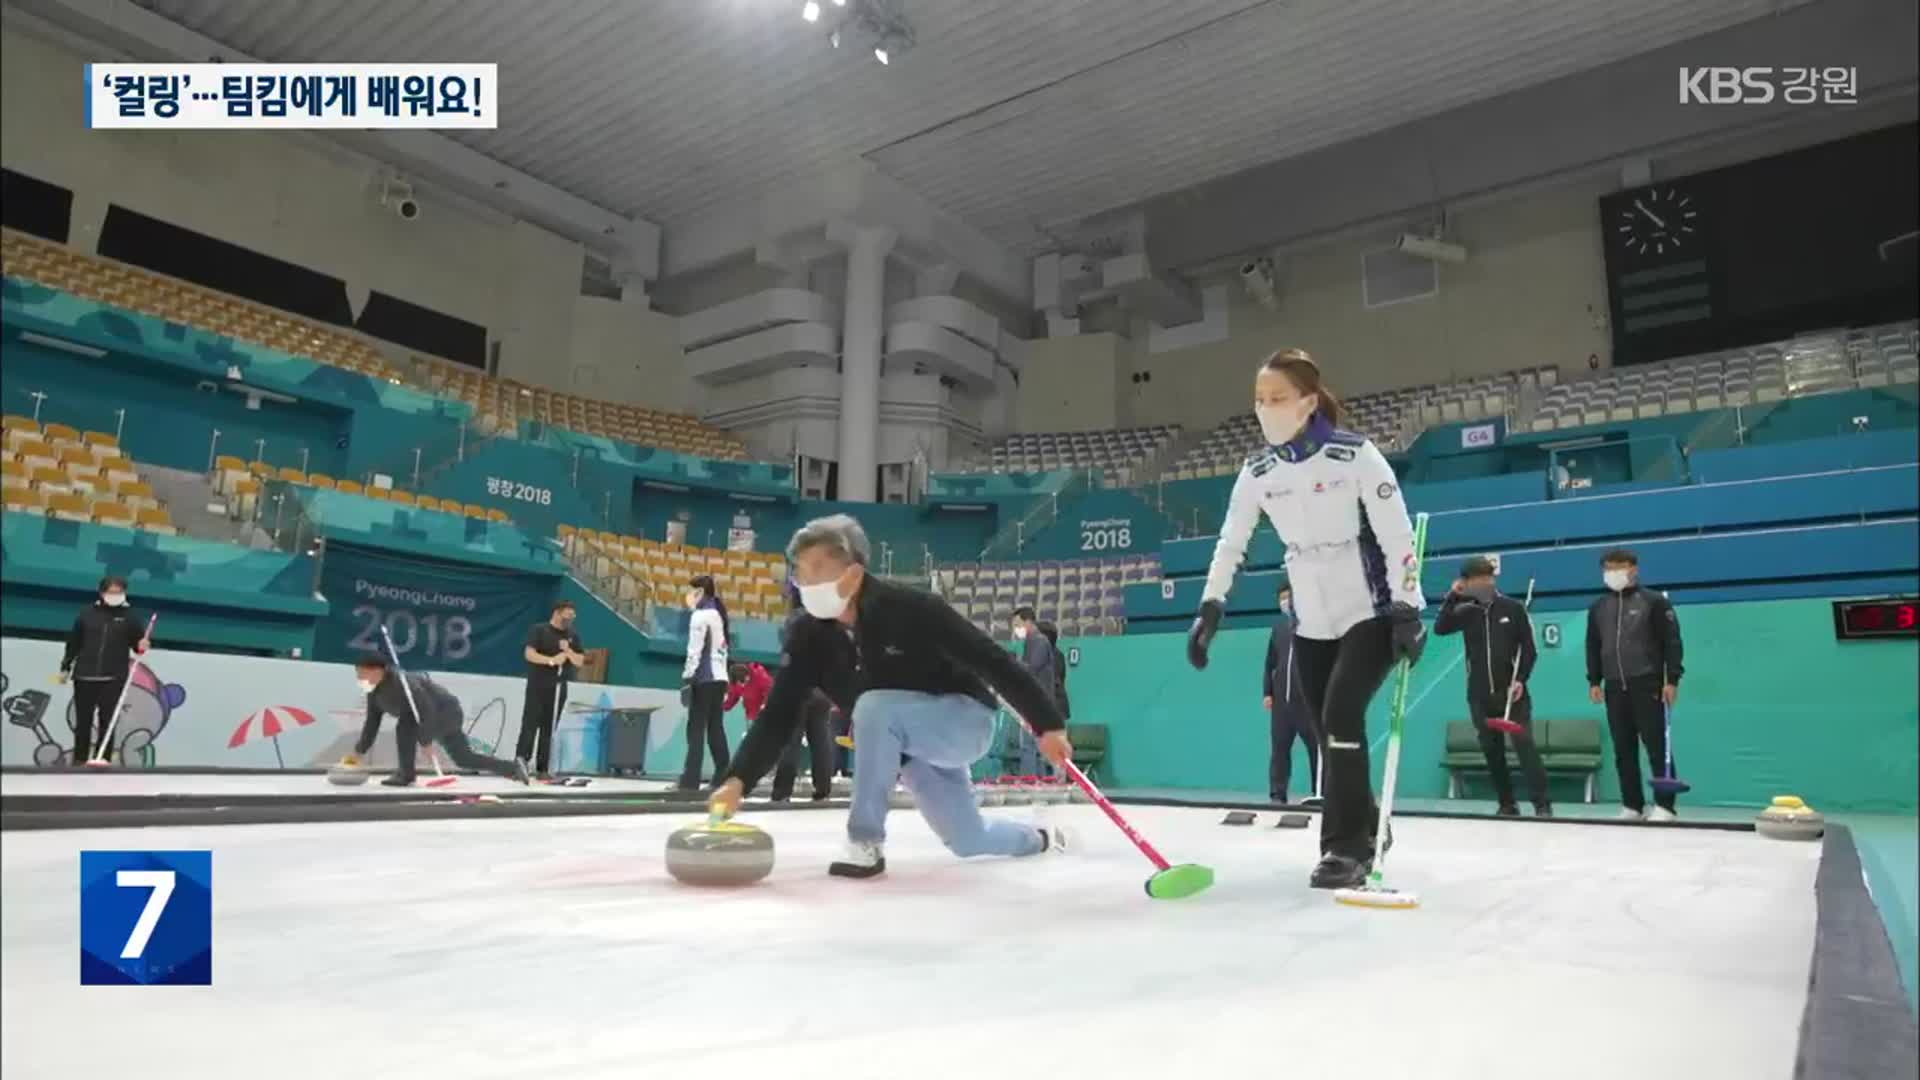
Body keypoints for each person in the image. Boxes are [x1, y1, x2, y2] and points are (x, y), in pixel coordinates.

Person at [708, 514, 1073, 879]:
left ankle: (865, 840)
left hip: (963, 720)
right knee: (967, 838)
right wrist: (737, 780)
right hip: (906, 743)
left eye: (817, 568)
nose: (804, 581)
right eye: (800, 572)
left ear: (853, 573)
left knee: (873, 707)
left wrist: (1047, 725)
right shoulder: (808, 636)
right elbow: (780, 712)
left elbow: (991, 660)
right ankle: (1040, 837)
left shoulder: (911, 608)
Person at [1184, 348, 1427, 890]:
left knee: (1342, 716)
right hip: (1311, 613)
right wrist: (1211, 605)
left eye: (1277, 399)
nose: (1266, 409)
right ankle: (1367, 821)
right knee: (1326, 727)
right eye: (1259, 400)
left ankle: (1345, 850)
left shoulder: (1356, 456)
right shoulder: (1258, 471)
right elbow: (1232, 541)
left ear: (1308, 402)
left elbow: (1397, 536)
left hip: (1371, 607)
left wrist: (1408, 608)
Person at [1434, 558, 1551, 818]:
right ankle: (1507, 803)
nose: (1486, 582)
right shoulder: (1465, 611)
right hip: (1478, 694)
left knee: (1525, 745)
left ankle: (1542, 804)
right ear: (1466, 583)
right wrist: (1453, 597)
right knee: (1492, 750)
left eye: (1489, 577)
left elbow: (1529, 650)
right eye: (1477, 579)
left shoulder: (1513, 608)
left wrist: (1521, 678)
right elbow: (1440, 628)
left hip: (1512, 694)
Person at [1586, 548, 1686, 822]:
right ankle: (1632, 804)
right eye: (1608, 567)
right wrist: (1594, 680)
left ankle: (1665, 806)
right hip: (1615, 686)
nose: (1613, 572)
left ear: (1634, 569)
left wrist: (1672, 679)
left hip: (1648, 682)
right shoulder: (1599, 607)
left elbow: (1672, 643)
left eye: (1619, 566)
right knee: (1623, 749)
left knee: (1656, 746)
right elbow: (1593, 646)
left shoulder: (1654, 602)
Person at [342, 653, 529, 787]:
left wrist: (426, 740)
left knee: (404, 727)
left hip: (445, 711)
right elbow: (372, 723)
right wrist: (359, 751)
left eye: (362, 673)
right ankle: (513, 768)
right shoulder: (373, 691)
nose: (359, 678)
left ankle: (406, 775)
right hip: (423, 716)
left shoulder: (404, 683)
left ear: (377, 671)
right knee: (464, 759)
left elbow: (427, 708)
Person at [58, 575, 150, 765]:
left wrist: (143, 644)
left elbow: (138, 647)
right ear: (101, 593)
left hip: (114, 677)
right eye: (111, 592)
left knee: (108, 722)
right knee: (83, 721)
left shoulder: (130, 617)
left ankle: (103, 758)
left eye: (120, 592)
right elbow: (74, 642)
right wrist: (65, 667)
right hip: (84, 675)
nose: (115, 596)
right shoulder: (86, 613)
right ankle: (79, 760)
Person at [1263, 583, 1321, 806]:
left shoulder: (1311, 626)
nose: (1285, 602)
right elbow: (1269, 664)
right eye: (1282, 598)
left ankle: (1320, 792)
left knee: (1316, 749)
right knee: (1279, 750)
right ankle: (1277, 794)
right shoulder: (1278, 629)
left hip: (1306, 703)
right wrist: (1267, 692)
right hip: (1281, 705)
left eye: (1289, 597)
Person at [677, 574, 733, 792]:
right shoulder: (718, 613)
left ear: (700, 592)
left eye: (692, 591)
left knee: (696, 729)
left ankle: (690, 780)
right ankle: (723, 773)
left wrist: (688, 676)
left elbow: (695, 650)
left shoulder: (700, 616)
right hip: (719, 679)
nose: (689, 596)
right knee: (715, 727)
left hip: (704, 678)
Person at [518, 600, 585, 779]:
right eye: (568, 615)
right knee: (530, 724)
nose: (570, 619)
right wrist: (551, 660)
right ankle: (521, 762)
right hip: (538, 684)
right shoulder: (539, 630)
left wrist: (568, 651)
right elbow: (529, 654)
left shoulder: (572, 636)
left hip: (558, 687)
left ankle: (543, 768)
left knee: (549, 728)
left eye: (573, 616)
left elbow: (579, 661)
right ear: (557, 612)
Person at [1010, 606, 1059, 776]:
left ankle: (1034, 781)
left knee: (1032, 747)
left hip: (1039, 703)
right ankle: (1036, 780)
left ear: (1028, 622)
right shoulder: (1030, 643)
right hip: (1032, 702)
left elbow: (1031, 669)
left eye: (1017, 624)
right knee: (1032, 747)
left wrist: (1013, 663)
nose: (1015, 629)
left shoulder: (1040, 641)